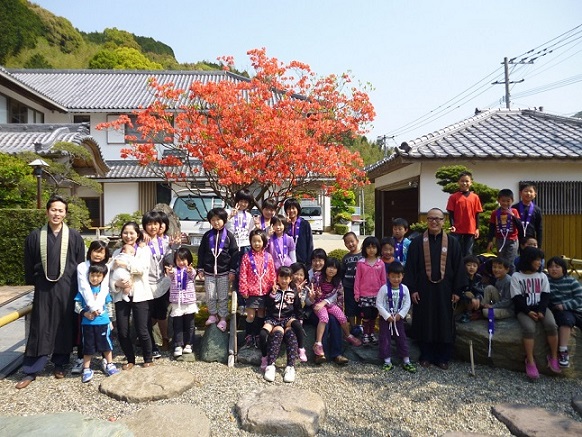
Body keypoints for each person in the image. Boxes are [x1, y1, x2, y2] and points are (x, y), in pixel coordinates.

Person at [16, 195, 86, 390]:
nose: (56, 213)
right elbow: (29, 265)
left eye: (60, 210)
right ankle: (31, 370)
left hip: (67, 287)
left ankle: (60, 364)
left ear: (65, 213)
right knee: (40, 326)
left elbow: (80, 264)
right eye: (53, 210)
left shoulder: (74, 236)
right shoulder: (34, 236)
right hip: (44, 288)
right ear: (47, 212)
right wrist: (35, 283)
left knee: (64, 325)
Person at [404, 208, 466, 370]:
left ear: (443, 221)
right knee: (425, 320)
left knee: (444, 322)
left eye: (438, 219)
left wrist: (457, 291)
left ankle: (443, 357)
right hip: (423, 290)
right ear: (426, 220)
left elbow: (459, 267)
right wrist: (412, 289)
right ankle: (426, 354)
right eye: (431, 218)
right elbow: (410, 267)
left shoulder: (452, 243)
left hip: (446, 291)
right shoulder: (417, 243)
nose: (434, 222)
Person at [110, 221, 154, 370]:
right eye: (125, 233)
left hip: (139, 294)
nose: (128, 236)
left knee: (142, 329)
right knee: (122, 331)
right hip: (120, 295)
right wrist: (116, 285)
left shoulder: (144, 250)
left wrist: (124, 265)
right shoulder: (117, 252)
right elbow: (110, 274)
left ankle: (148, 357)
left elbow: (142, 269)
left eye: (132, 233)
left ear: (138, 234)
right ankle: (130, 359)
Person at [510, 247, 560, 379]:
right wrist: (528, 312)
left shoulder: (542, 276)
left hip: (540, 307)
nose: (540, 263)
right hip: (523, 309)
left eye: (540, 260)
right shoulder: (516, 276)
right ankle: (530, 361)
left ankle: (554, 356)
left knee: (551, 325)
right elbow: (516, 298)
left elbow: (545, 295)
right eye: (537, 260)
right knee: (529, 328)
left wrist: (541, 311)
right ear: (528, 260)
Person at [74, 263, 119, 382]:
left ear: (103, 277)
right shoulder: (84, 290)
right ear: (88, 276)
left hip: (103, 322)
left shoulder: (104, 290)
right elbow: (76, 305)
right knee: (87, 346)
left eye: (98, 276)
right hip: (87, 323)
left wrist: (110, 320)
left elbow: (109, 305)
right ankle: (86, 368)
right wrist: (85, 313)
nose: (95, 278)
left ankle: (110, 363)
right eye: (92, 275)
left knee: (106, 344)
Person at [197, 207, 239, 332]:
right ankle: (212, 315)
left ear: (224, 220)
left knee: (222, 297)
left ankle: (222, 318)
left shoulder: (229, 236)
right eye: (213, 220)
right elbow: (201, 252)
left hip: (224, 272)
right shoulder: (207, 235)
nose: (216, 222)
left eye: (219, 220)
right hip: (209, 272)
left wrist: (232, 270)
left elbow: (235, 254)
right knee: (210, 295)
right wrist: (200, 268)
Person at [310, 258, 362, 358]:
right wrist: (315, 296)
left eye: (335, 268)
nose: (331, 270)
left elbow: (338, 297)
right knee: (324, 318)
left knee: (341, 317)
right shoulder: (317, 277)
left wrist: (332, 304)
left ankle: (347, 335)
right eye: (329, 267)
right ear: (325, 267)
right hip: (319, 304)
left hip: (331, 304)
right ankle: (319, 344)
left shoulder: (337, 281)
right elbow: (312, 293)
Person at [73, 240, 111, 375]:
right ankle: (81, 361)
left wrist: (99, 307)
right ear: (90, 252)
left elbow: (105, 288)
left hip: (100, 309)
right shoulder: (83, 267)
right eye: (96, 251)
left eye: (101, 252)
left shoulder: (106, 267)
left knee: (103, 335)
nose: (98, 255)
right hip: (86, 307)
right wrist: (92, 306)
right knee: (84, 335)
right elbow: (84, 287)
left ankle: (106, 361)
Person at [305, 249, 347, 365]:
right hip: (311, 309)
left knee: (334, 319)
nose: (317, 263)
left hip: (327, 307)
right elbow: (306, 301)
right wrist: (312, 298)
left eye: (320, 260)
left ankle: (337, 354)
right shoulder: (308, 275)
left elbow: (334, 296)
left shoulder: (330, 275)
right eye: (314, 260)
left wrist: (324, 302)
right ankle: (319, 354)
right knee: (325, 320)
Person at [262, 267, 302, 383]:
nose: (284, 280)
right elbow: (267, 305)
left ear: (290, 279)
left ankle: (290, 366)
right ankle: (270, 365)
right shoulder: (274, 290)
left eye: (287, 278)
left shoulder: (293, 292)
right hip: (274, 320)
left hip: (288, 319)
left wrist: (300, 318)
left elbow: (298, 307)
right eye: (281, 277)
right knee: (278, 333)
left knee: (291, 333)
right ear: (277, 277)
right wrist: (273, 294)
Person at [142, 210, 173, 357]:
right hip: (145, 284)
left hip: (161, 283)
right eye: (149, 224)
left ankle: (165, 339)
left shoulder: (164, 242)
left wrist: (176, 248)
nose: (153, 227)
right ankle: (149, 343)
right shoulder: (141, 241)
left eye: (155, 223)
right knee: (146, 315)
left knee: (161, 314)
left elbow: (169, 258)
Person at [376, 262, 416, 373]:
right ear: (388, 276)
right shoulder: (384, 289)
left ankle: (406, 360)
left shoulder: (405, 289)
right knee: (385, 338)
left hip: (398, 318)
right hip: (386, 319)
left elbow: (407, 303)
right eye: (393, 276)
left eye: (398, 276)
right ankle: (387, 361)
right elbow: (379, 303)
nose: (396, 279)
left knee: (401, 338)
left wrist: (400, 315)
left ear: (402, 276)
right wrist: (387, 316)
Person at [239, 229, 276, 347]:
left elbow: (272, 273)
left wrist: (273, 285)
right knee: (250, 315)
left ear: (264, 242)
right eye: (254, 241)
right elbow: (243, 274)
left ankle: (259, 336)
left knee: (261, 314)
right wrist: (243, 289)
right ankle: (249, 335)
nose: (257, 244)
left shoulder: (268, 257)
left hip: (265, 291)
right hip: (251, 291)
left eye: (259, 241)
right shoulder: (246, 257)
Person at [546, 256, 582, 368]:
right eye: (551, 267)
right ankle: (563, 351)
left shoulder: (571, 281)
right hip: (562, 312)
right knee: (565, 321)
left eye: (557, 266)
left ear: (564, 269)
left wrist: (566, 305)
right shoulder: (546, 282)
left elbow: (580, 298)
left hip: (576, 309)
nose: (554, 269)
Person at [227, 188, 256, 315]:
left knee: (245, 275)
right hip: (233, 247)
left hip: (246, 247)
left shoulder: (249, 216)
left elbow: (251, 233)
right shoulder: (229, 212)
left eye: (246, 202)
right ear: (236, 200)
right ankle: (240, 304)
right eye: (241, 201)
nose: (243, 204)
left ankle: (246, 303)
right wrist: (229, 217)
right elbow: (225, 229)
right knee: (237, 275)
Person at [166, 247, 199, 358]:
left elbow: (193, 275)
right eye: (179, 260)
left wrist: (190, 270)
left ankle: (189, 344)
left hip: (189, 302)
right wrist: (169, 272)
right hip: (177, 303)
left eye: (183, 259)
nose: (181, 262)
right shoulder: (174, 271)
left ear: (189, 260)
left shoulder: (190, 270)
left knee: (190, 324)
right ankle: (178, 345)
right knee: (177, 325)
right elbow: (171, 276)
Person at [354, 236, 386, 346]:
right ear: (364, 249)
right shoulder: (361, 263)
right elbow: (357, 279)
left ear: (378, 248)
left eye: (374, 247)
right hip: (364, 294)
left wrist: (384, 293)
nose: (371, 250)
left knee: (374, 314)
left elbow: (383, 279)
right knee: (366, 315)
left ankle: (372, 333)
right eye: (368, 247)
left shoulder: (380, 263)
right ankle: (365, 334)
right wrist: (357, 293)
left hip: (378, 294)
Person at [446, 171, 483, 256]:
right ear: (458, 182)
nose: (464, 183)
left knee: (468, 252)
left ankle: (467, 268)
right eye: (462, 181)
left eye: (467, 181)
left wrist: (477, 228)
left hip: (470, 228)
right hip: (457, 228)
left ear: (471, 182)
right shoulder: (453, 197)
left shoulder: (475, 197)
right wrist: (452, 225)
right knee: (455, 251)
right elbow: (451, 213)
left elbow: (477, 213)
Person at [487, 189, 523, 266]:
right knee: (501, 261)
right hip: (500, 239)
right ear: (498, 200)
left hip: (512, 239)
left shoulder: (514, 211)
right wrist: (490, 241)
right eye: (503, 201)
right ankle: (502, 277)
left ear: (512, 201)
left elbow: (519, 225)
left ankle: (511, 277)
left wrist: (513, 216)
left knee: (511, 262)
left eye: (508, 201)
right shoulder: (495, 213)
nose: (505, 203)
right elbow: (492, 227)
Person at [341, 232, 362, 336]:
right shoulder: (345, 258)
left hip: (361, 287)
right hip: (348, 286)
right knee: (350, 307)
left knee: (360, 306)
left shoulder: (363, 256)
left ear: (357, 241)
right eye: (347, 243)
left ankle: (359, 325)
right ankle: (353, 326)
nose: (350, 244)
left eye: (352, 241)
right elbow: (342, 272)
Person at [512, 181, 543, 248]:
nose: (528, 193)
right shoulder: (514, 208)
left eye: (531, 191)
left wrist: (539, 246)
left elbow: (539, 229)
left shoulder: (537, 210)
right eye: (526, 191)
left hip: (531, 241)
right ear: (520, 193)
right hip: (515, 240)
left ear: (535, 194)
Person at [284, 197, 314, 265]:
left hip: (302, 259)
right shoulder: (283, 224)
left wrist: (309, 260)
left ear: (298, 209)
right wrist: (285, 225)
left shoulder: (304, 223)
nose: (291, 210)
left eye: (293, 208)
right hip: (288, 260)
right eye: (289, 208)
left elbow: (309, 243)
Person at [457, 255, 484, 323]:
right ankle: (468, 313)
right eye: (469, 265)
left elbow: (480, 291)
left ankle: (471, 313)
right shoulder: (460, 277)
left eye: (474, 266)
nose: (472, 268)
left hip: (476, 303)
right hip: (462, 302)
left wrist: (477, 298)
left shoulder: (478, 277)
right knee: (468, 294)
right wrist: (471, 299)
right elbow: (459, 291)